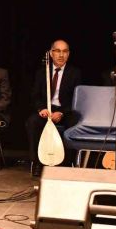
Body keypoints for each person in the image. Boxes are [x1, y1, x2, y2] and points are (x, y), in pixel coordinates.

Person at [25, 39, 82, 177]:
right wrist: (41, 109)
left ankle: (67, 163)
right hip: (46, 110)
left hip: (65, 111)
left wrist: (61, 113)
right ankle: (37, 162)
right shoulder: (42, 72)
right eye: (57, 51)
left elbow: (77, 98)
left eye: (65, 51)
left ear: (68, 54)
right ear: (51, 53)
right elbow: (34, 95)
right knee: (32, 122)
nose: (61, 55)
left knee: (74, 123)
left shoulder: (75, 73)